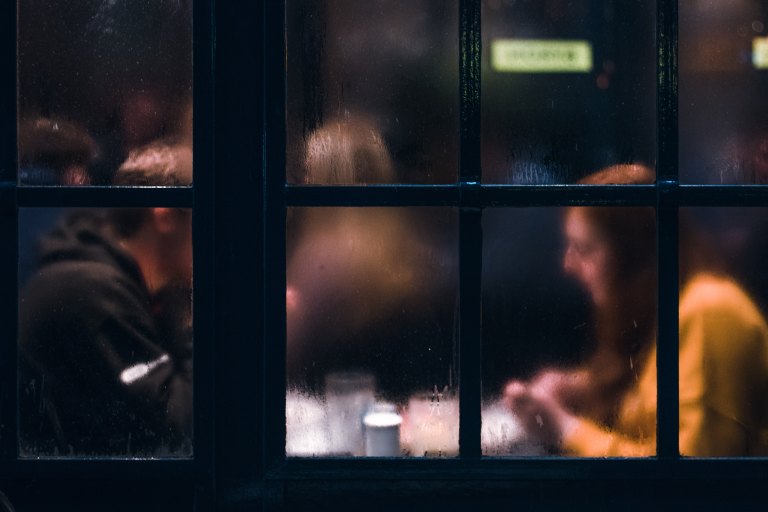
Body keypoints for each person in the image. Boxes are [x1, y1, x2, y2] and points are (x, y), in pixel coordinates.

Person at [503, 164, 768, 456]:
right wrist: (581, 387)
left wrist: (565, 428)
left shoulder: (710, 309)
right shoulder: (666, 311)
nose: (568, 264)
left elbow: (689, 471)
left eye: (585, 249)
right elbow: (650, 394)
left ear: (636, 257)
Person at [19, 207, 193, 456]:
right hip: (55, 491)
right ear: (164, 216)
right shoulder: (93, 292)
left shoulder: (142, 290)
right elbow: (173, 437)